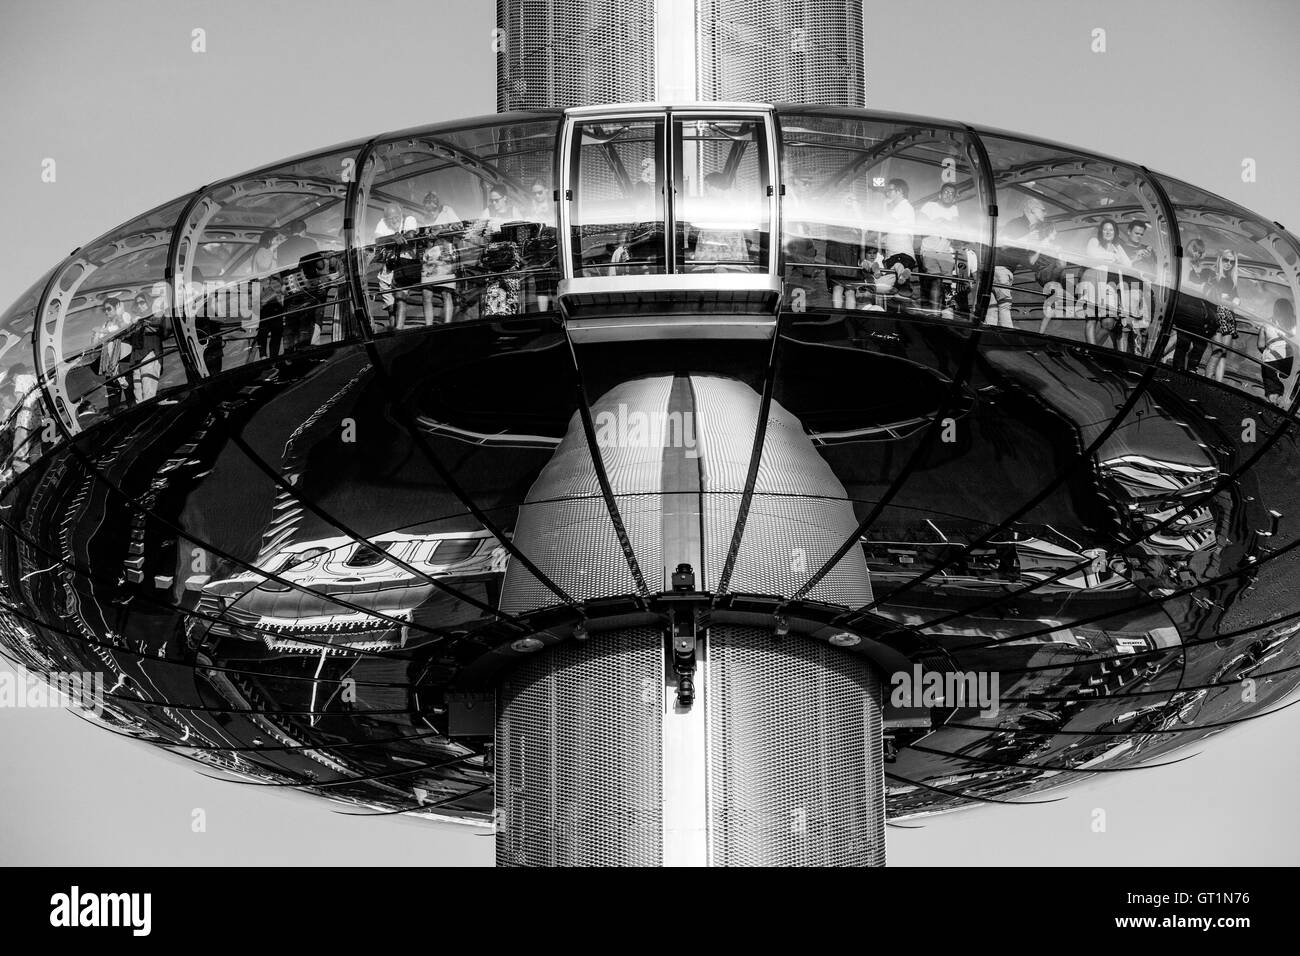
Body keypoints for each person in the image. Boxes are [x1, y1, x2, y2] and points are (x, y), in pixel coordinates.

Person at [991, 197, 1065, 331]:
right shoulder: (1017, 224)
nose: (1045, 213)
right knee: (1004, 304)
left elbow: (1029, 260)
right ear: (1031, 210)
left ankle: (989, 336)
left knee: (993, 308)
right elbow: (1002, 245)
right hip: (1000, 267)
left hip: (1002, 268)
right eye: (1042, 210)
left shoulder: (1031, 229)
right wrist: (1026, 240)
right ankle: (1009, 333)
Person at [1081, 218, 1133, 347]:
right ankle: (1092, 351)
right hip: (1093, 282)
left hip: (1110, 287)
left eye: (1111, 230)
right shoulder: (1094, 241)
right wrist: (1113, 258)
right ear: (1101, 231)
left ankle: (1090, 349)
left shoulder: (1117, 246)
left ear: (1115, 232)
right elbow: (1091, 255)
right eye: (1105, 229)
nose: (1108, 232)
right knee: (1091, 320)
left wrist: (1116, 257)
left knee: (1109, 323)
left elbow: (1128, 264)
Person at [1168, 237, 1217, 373]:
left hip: (1196, 309)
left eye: (1200, 252)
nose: (1198, 254)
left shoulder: (1199, 266)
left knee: (1198, 342)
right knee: (1184, 341)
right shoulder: (1185, 262)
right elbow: (1181, 283)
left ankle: (1190, 369)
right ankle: (1179, 370)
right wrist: (1201, 287)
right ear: (1190, 250)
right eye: (1196, 251)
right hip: (1185, 305)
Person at [373, 204, 419, 328]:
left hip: (404, 267)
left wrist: (395, 238)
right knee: (391, 307)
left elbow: (411, 235)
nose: (394, 220)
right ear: (385, 218)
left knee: (400, 297)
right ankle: (394, 330)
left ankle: (399, 330)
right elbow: (378, 240)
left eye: (396, 217)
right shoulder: (382, 223)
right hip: (387, 270)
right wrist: (393, 238)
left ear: (401, 214)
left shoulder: (409, 219)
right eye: (390, 218)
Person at [918, 183, 960, 314]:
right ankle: (935, 313)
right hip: (930, 250)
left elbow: (957, 226)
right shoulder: (929, 206)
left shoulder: (954, 209)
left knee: (946, 284)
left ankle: (943, 311)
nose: (949, 195)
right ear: (940, 194)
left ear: (954, 198)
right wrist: (939, 222)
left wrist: (942, 222)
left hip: (945, 251)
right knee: (936, 281)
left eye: (952, 194)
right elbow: (920, 224)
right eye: (946, 192)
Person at [1116, 219, 1156, 353]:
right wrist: (1136, 259)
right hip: (1129, 288)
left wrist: (1150, 259)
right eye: (1136, 233)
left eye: (1141, 234)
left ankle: (1137, 357)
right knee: (1127, 326)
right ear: (1128, 232)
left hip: (1146, 289)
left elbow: (1154, 274)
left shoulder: (1148, 251)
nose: (1138, 236)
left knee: (1143, 328)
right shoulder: (1121, 248)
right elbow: (1120, 269)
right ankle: (1124, 356)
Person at [91, 298, 134, 411]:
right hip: (109, 364)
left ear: (117, 308)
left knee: (130, 395)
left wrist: (102, 331)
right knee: (113, 397)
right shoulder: (105, 324)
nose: (106, 312)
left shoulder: (124, 316)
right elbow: (96, 343)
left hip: (124, 361)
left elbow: (123, 328)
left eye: (109, 309)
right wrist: (96, 333)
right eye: (105, 310)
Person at [1206, 249, 1241, 383]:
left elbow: (1236, 298)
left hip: (1228, 317)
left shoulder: (1231, 280)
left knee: (1223, 354)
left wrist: (1236, 300)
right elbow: (1211, 297)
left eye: (1232, 262)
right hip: (1215, 315)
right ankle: (1207, 381)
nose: (1228, 264)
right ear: (1220, 259)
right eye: (1226, 260)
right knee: (1217, 351)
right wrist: (1229, 301)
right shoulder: (1213, 275)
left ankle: (1218, 384)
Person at [126, 291, 165, 402]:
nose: (139, 305)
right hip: (136, 359)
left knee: (148, 394)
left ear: (148, 302)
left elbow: (158, 326)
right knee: (138, 394)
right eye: (137, 303)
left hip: (149, 354)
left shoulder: (155, 314)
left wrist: (141, 321)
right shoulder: (136, 320)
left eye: (142, 302)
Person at [1257, 298, 1294, 406]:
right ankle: (1283, 403)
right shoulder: (1294, 324)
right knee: (1283, 380)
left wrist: (1268, 352)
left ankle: (1273, 407)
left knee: (1271, 386)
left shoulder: (1266, 324)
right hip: (1288, 357)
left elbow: (1260, 345)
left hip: (1271, 358)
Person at [255, 274, 287, 358]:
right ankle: (264, 356)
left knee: (276, 333)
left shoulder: (275, 281)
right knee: (263, 333)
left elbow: (280, 291)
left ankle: (272, 358)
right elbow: (259, 301)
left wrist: (267, 298)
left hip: (275, 310)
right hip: (265, 311)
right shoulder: (257, 284)